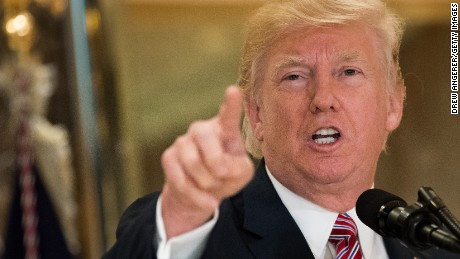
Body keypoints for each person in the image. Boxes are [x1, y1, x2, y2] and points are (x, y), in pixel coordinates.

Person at [103, 0, 459, 258]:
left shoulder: (432, 246)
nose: (323, 98)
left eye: (348, 72)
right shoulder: (199, 234)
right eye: (294, 77)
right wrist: (180, 214)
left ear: (393, 106)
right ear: (256, 115)